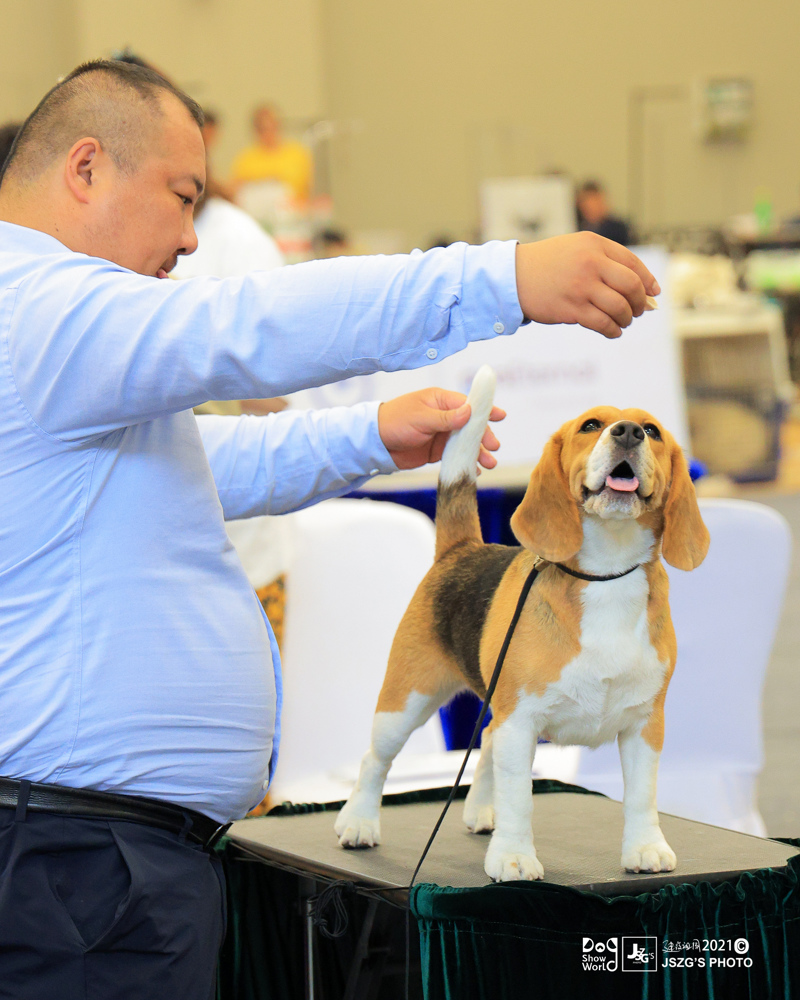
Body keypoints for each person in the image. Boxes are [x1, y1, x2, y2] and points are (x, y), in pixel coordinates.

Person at [0, 59, 659, 999]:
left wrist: (369, 436)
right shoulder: (35, 307)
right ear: (86, 167)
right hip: (79, 867)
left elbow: (194, 468)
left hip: (96, 864)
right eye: (182, 197)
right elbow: (245, 324)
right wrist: (500, 278)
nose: (191, 238)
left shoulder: (46, 333)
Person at [231, 102, 314, 202]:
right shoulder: (246, 158)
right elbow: (236, 190)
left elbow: (313, 189)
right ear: (256, 130)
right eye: (263, 129)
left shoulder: (298, 153)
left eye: (271, 127)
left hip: (295, 207)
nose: (268, 133)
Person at [576, 179, 635, 247]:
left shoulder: (618, 229)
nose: (592, 207)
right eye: (587, 203)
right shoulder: (577, 228)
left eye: (595, 202)